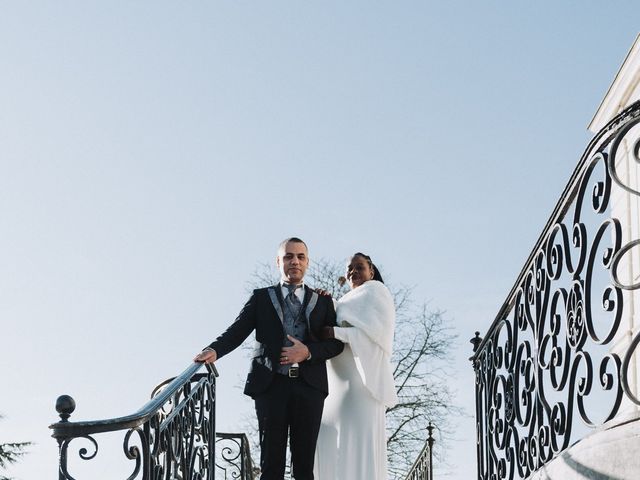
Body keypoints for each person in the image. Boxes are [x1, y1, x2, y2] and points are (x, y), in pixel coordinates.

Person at [194, 237, 344, 480]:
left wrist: (308, 352)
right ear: (278, 261)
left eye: (300, 257)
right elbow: (237, 330)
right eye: (288, 256)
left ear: (307, 262)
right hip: (270, 386)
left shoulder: (323, 301)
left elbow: (336, 343)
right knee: (271, 465)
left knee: (304, 467)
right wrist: (214, 350)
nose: (294, 261)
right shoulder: (261, 297)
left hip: (310, 388)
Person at [314, 252, 398, 480]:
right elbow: (339, 312)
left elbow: (375, 335)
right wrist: (327, 302)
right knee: (332, 443)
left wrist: (337, 332)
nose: (353, 271)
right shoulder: (346, 302)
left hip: (361, 386)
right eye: (349, 268)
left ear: (371, 271)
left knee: (359, 442)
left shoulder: (376, 292)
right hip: (336, 386)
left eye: (359, 266)